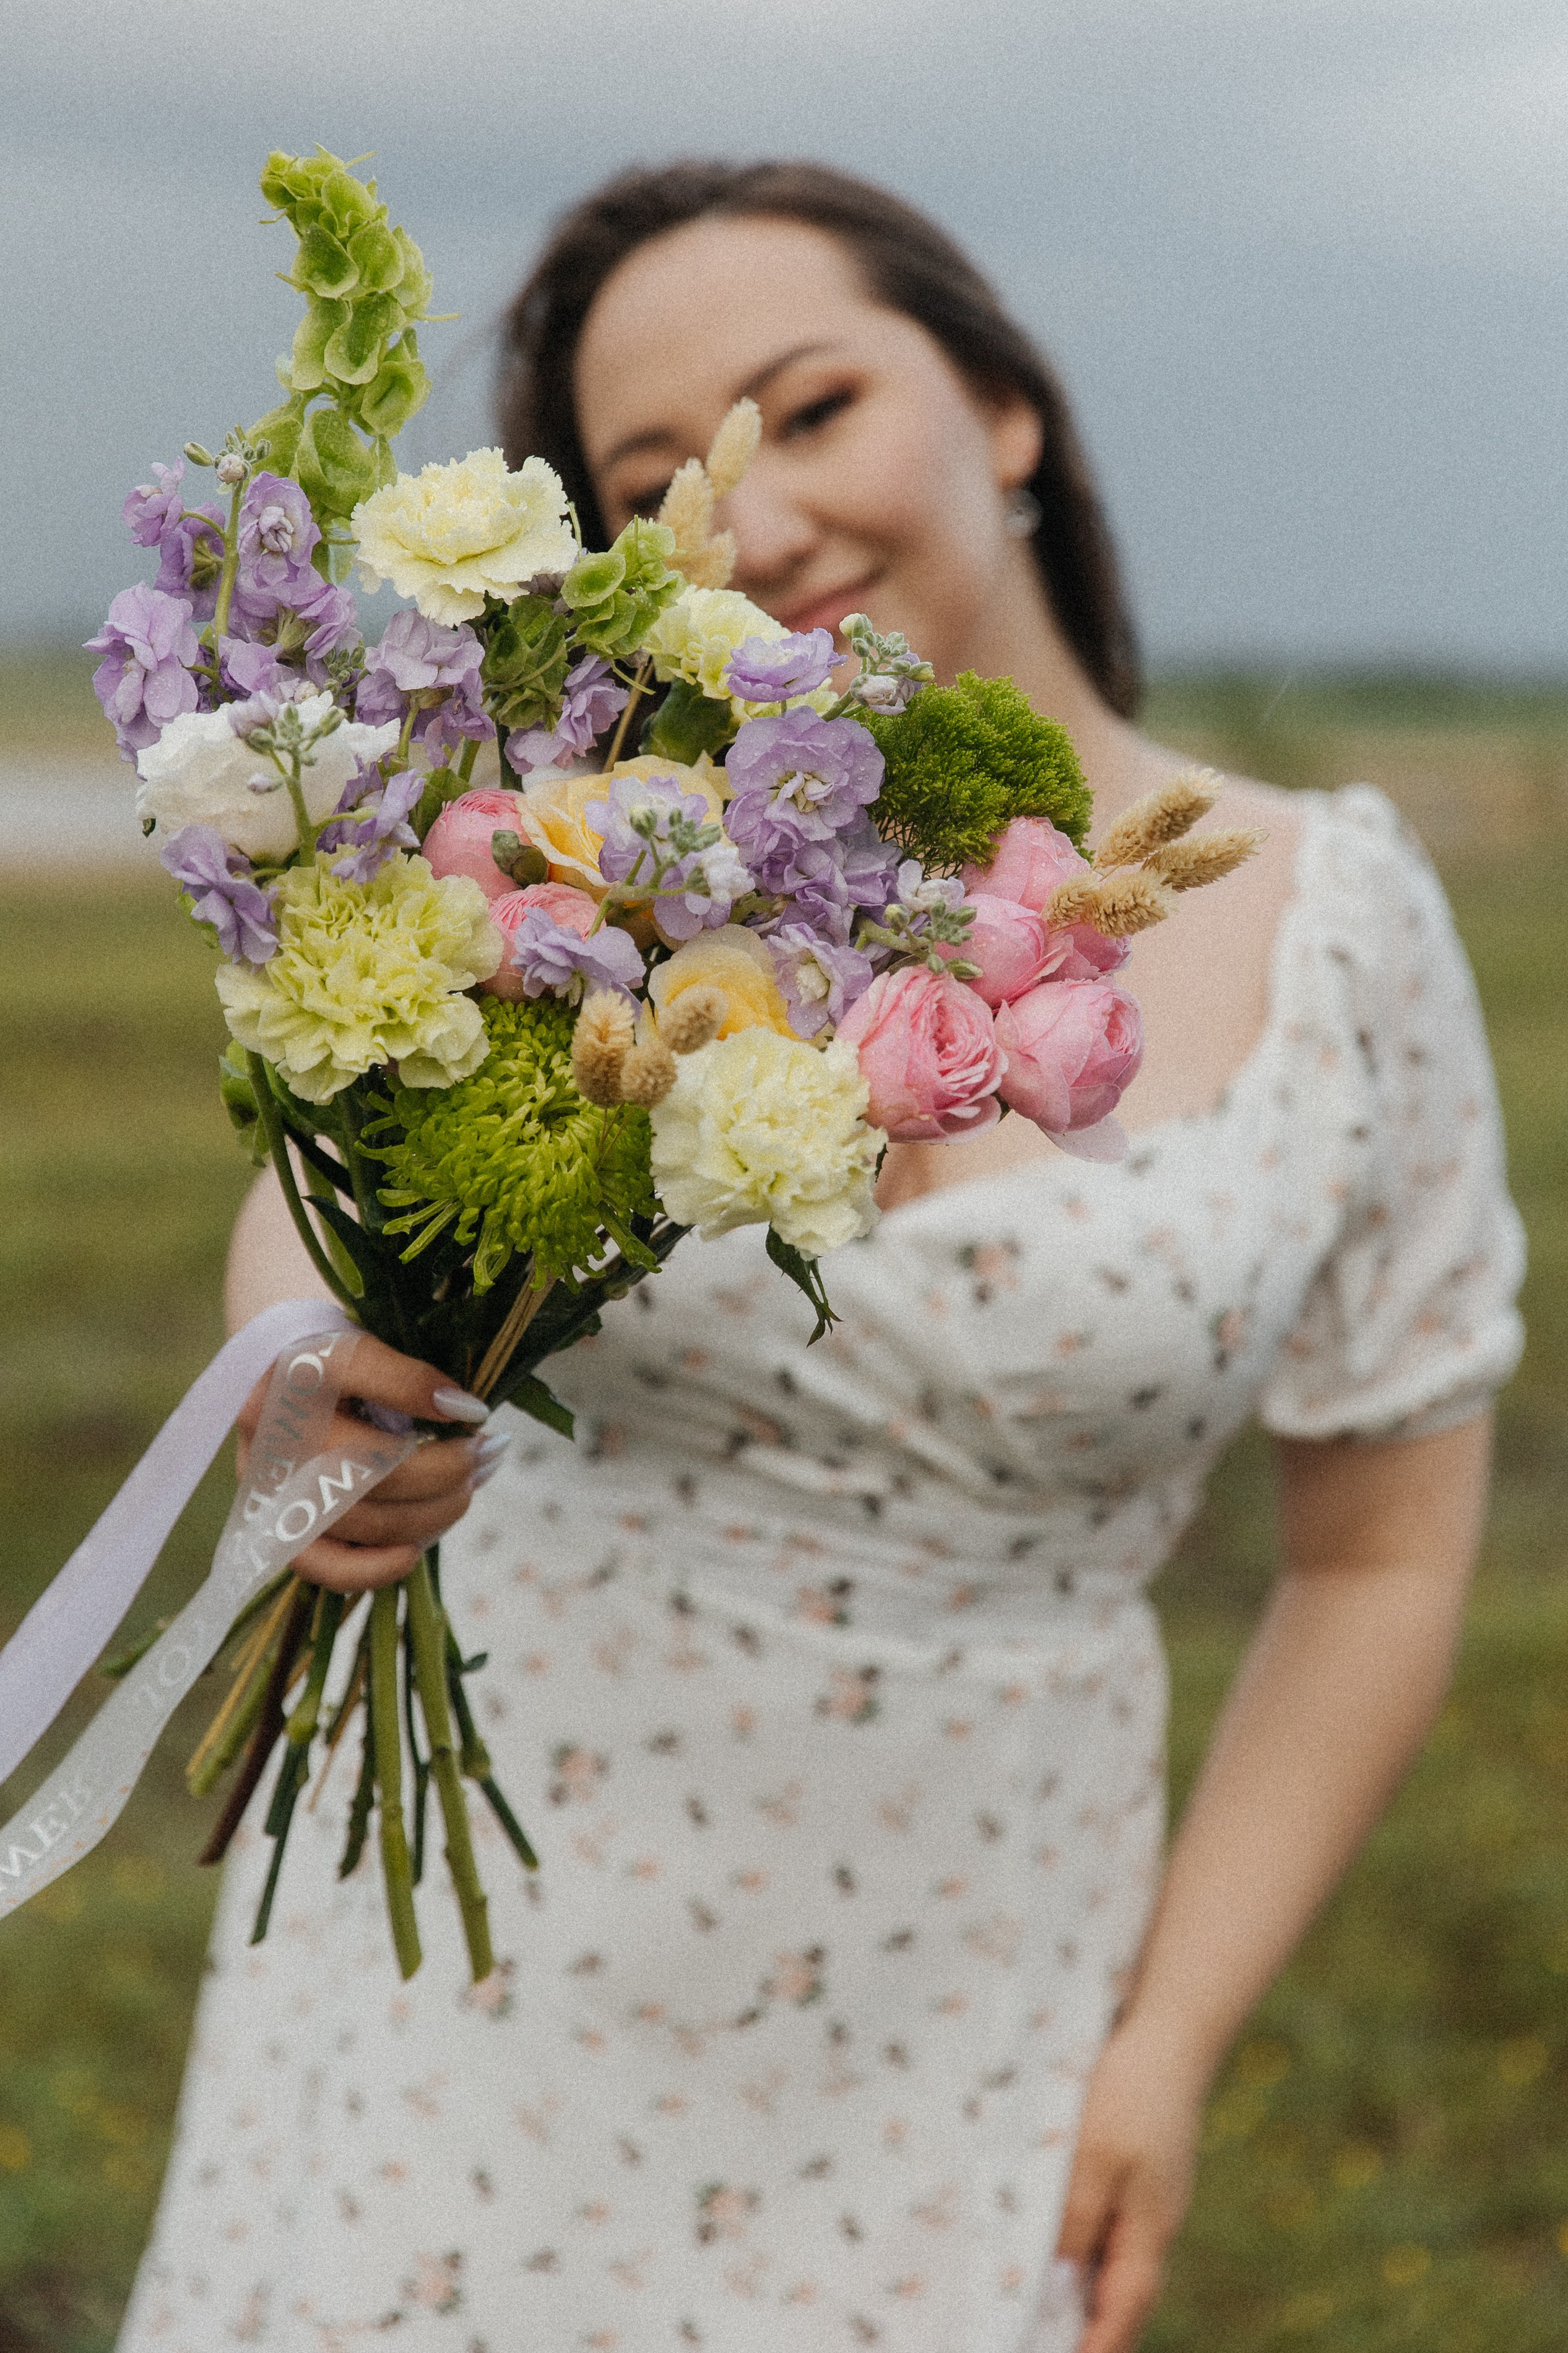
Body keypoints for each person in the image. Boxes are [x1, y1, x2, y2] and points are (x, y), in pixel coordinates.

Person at [119, 162, 1524, 2353]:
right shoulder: (602, 844)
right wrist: (304, 1389)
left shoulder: (1339, 915)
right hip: (452, 1976)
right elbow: (327, 1190)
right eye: (660, 474)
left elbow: (1381, 1557)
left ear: (1006, 406)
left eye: (816, 405)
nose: (754, 514)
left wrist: (1163, 2052)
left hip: (977, 1980)